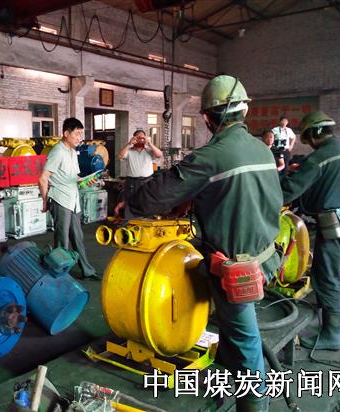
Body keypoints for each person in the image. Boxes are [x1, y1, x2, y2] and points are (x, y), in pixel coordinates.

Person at [116, 75, 281, 411]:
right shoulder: (262, 149)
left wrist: (130, 206)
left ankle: (254, 404)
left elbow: (159, 193)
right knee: (235, 328)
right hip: (266, 255)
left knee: (246, 342)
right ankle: (228, 368)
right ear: (244, 111)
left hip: (237, 269)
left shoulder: (212, 155)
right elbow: (238, 192)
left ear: (207, 118)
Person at [281, 111, 340, 350]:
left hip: (334, 226)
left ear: (315, 132)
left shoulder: (320, 157)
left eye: (308, 138)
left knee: (328, 277)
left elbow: (290, 190)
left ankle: (331, 335)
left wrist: (268, 197)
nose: (309, 143)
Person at [38, 117, 99, 280]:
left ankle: (87, 271)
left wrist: (87, 180)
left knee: (78, 238)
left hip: (73, 201)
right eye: (77, 134)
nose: (80, 138)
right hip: (60, 200)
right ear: (66, 133)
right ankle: (59, 274)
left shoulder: (72, 151)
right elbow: (43, 178)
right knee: (62, 240)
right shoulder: (57, 151)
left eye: (81, 134)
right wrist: (45, 201)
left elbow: (74, 177)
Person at [114, 130, 163, 215]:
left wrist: (150, 143)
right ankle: (130, 218)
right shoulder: (129, 151)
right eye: (138, 137)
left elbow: (159, 155)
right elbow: (120, 156)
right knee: (131, 200)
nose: (140, 139)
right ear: (134, 139)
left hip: (147, 181)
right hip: (132, 181)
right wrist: (129, 144)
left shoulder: (149, 150)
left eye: (142, 138)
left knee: (147, 200)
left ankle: (146, 217)